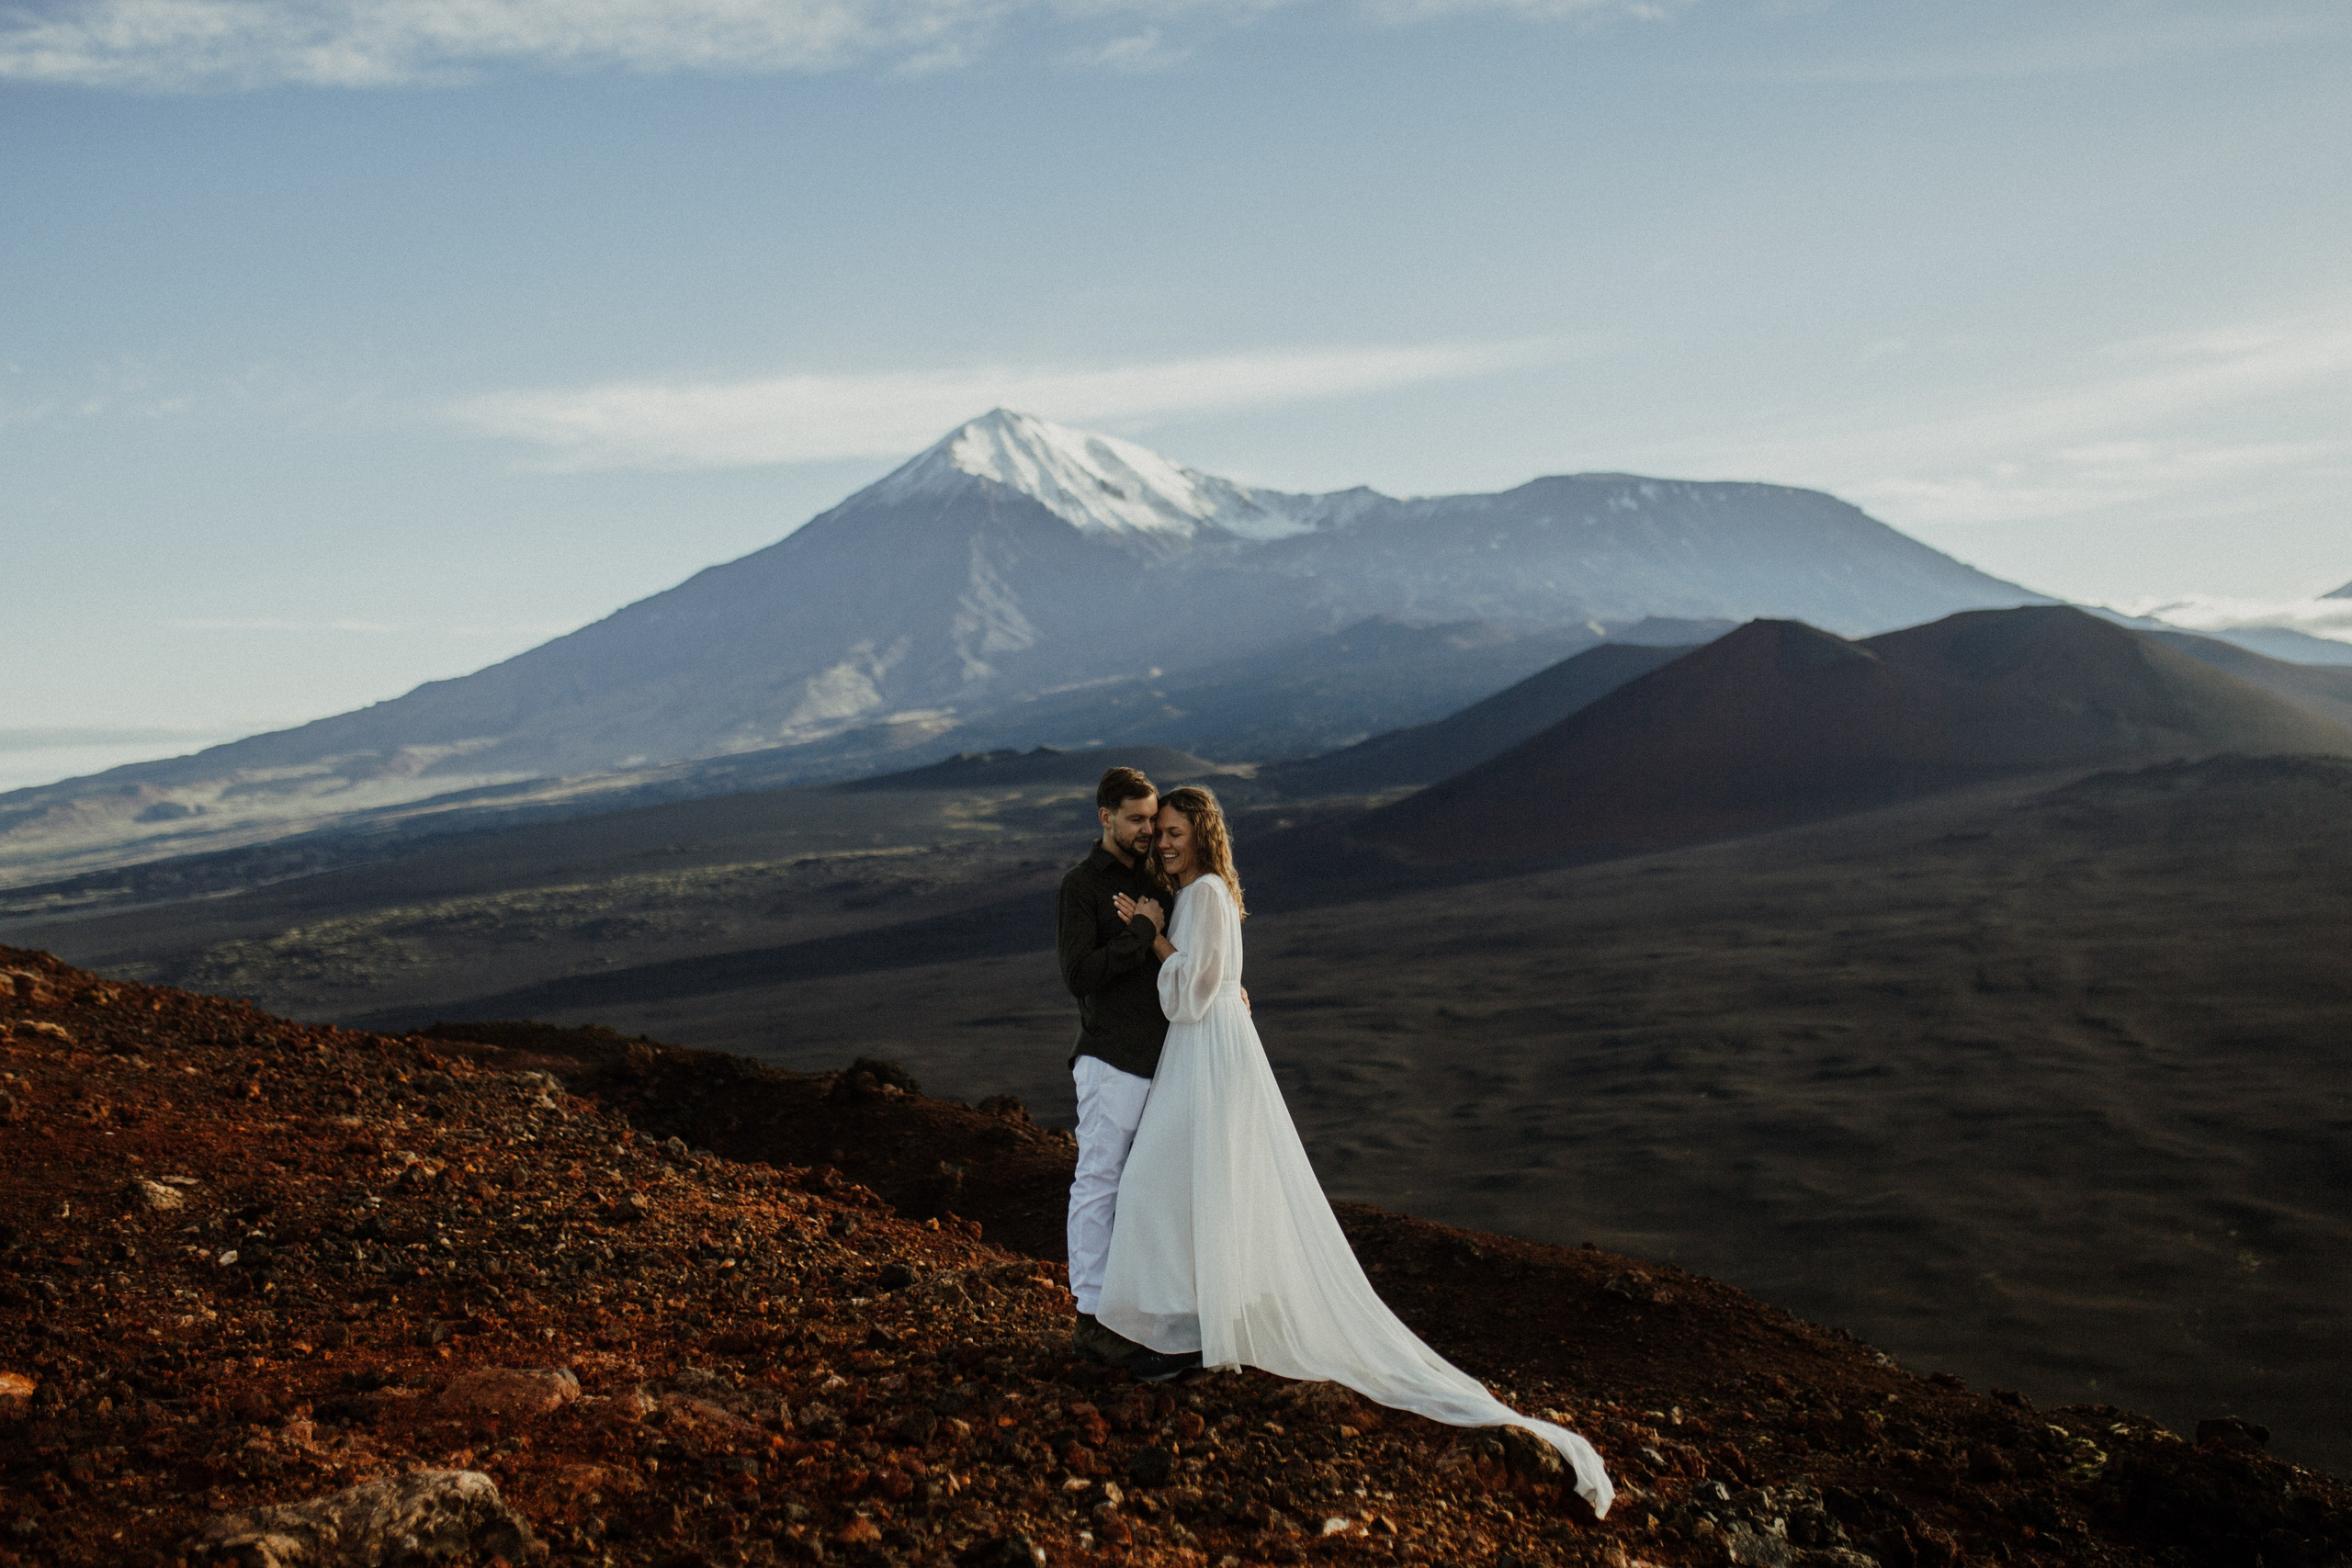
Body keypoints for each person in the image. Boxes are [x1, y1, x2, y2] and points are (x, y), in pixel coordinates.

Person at [1097, 785, 1615, 1518]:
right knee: (1180, 1184)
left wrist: (1152, 936)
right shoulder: (1194, 895)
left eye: (1177, 831)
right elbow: (1211, 983)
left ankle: (1188, 1335)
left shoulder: (1205, 894)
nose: (1167, 841)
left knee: (1171, 1181)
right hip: (1203, 1054)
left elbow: (1192, 993)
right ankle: (1185, 1329)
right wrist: (1163, 932)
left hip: (1208, 1056)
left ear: (1203, 837)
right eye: (1163, 832)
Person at [1054, 766, 1198, 1379]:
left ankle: (1144, 1317)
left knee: (1149, 1191)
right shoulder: (1082, 886)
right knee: (1100, 1181)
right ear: (1104, 816)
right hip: (1112, 1058)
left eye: (1152, 818)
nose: (1147, 829)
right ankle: (1092, 1319)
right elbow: (1079, 975)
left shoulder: (1155, 879)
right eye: (1136, 818)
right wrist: (1140, 930)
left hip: (1162, 1059)